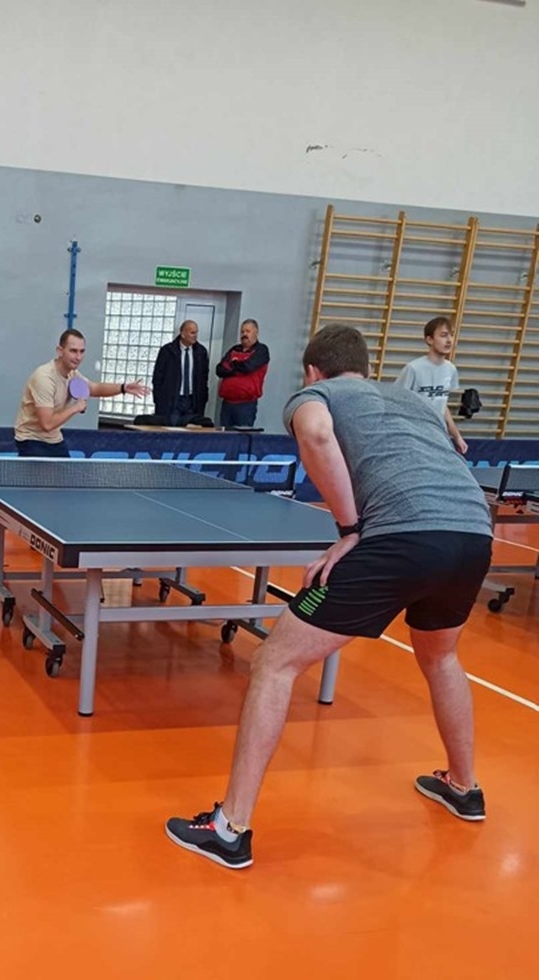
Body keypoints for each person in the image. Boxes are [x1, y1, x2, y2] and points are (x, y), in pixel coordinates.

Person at [166, 324, 493, 870]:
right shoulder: (412, 401)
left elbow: (317, 434)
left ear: (313, 370)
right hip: (472, 535)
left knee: (274, 662)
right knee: (441, 657)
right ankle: (464, 787)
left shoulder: (316, 395)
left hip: (401, 538)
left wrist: (350, 529)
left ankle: (229, 829)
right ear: (365, 367)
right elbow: (451, 452)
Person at [13, 329, 149, 455]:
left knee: (68, 474)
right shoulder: (44, 378)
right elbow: (47, 424)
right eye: (73, 351)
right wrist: (75, 408)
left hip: (54, 438)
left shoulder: (72, 374)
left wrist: (123, 388)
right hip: (30, 438)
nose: (78, 357)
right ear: (60, 351)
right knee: (42, 474)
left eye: (82, 351)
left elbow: (95, 388)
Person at [394, 316, 468, 455]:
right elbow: (396, 402)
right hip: (415, 436)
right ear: (429, 339)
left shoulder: (451, 369)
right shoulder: (413, 368)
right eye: (443, 335)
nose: (449, 340)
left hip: (438, 435)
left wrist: (457, 436)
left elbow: (442, 404)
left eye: (451, 335)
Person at [152, 321, 210, 427]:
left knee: (191, 429)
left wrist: (203, 398)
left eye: (196, 332)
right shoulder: (168, 351)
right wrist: (158, 399)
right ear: (183, 334)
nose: (195, 336)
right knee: (171, 428)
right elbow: (158, 377)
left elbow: (204, 378)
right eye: (192, 333)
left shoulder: (201, 352)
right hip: (173, 399)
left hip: (192, 400)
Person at [215, 319, 270, 427]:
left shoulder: (261, 350)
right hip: (227, 404)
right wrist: (238, 367)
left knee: (242, 436)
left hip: (246, 405)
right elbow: (220, 370)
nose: (244, 334)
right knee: (224, 435)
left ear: (256, 332)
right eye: (242, 332)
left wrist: (232, 365)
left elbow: (248, 367)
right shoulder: (234, 349)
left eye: (248, 331)